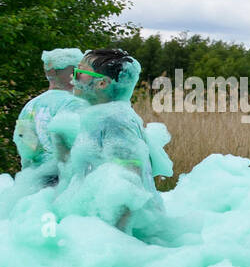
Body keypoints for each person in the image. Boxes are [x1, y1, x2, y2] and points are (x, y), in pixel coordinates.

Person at [50, 48, 171, 234]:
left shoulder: (114, 120)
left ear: (102, 83)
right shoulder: (100, 116)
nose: (72, 79)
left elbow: (129, 185)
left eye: (79, 73)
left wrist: (116, 241)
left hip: (131, 234)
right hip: (101, 226)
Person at [13, 48, 83, 175]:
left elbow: (26, 148)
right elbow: (77, 148)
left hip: (34, 178)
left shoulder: (29, 106)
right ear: (73, 72)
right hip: (62, 178)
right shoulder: (74, 103)